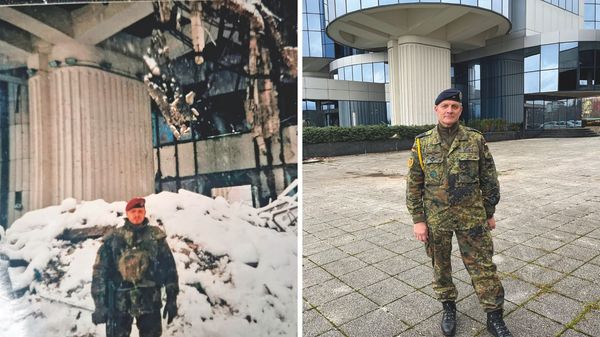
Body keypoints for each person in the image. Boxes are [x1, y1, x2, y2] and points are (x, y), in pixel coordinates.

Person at [405, 88, 513, 337]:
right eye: (445, 106)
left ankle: (494, 316)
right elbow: (413, 185)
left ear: (460, 110)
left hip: (472, 217)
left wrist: (489, 211)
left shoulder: (475, 139)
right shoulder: (422, 144)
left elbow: (489, 179)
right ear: (436, 110)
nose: (449, 110)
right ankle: (448, 308)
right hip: (436, 219)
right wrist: (418, 220)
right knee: (441, 267)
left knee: (483, 267)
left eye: (454, 106)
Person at [91, 197, 179, 337]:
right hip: (119, 302)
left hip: (150, 300)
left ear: (144, 212)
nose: (137, 215)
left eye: (140, 211)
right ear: (127, 213)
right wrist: (100, 305)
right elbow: (100, 272)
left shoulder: (155, 237)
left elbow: (169, 268)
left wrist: (171, 299)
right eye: (133, 211)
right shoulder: (114, 238)